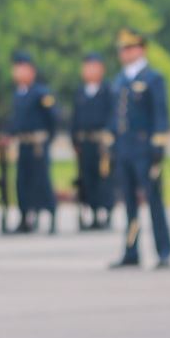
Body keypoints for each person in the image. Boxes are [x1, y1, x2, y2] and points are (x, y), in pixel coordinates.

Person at [111, 28, 170, 269]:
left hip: (144, 150)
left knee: (154, 200)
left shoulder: (152, 78)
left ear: (141, 49)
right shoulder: (120, 80)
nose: (125, 53)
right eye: (122, 49)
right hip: (125, 150)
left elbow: (160, 114)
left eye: (130, 48)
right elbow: (115, 116)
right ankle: (131, 250)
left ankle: (164, 251)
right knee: (128, 203)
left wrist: (159, 144)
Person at [6, 52, 59, 235]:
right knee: (22, 182)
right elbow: (17, 121)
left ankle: (51, 215)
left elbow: (53, 118)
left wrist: (47, 139)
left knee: (41, 181)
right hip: (23, 143)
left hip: (38, 144)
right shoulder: (18, 94)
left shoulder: (40, 93)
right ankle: (25, 217)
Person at [70, 53, 116, 231]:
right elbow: (75, 118)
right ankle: (91, 212)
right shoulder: (81, 91)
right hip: (85, 142)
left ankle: (104, 212)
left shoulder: (108, 90)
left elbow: (113, 116)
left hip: (101, 142)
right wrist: (74, 139)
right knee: (86, 179)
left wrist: (110, 138)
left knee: (103, 178)